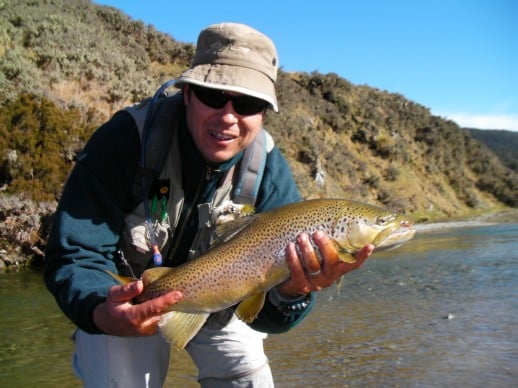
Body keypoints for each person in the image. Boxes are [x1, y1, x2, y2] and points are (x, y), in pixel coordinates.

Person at [44, 22, 373, 387]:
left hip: (220, 304)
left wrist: (294, 291)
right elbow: (75, 255)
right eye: (215, 96)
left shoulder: (267, 170)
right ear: (187, 94)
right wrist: (100, 310)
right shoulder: (125, 140)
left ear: (264, 113)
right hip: (128, 300)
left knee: (249, 379)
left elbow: (269, 318)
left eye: (248, 103)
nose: (229, 116)